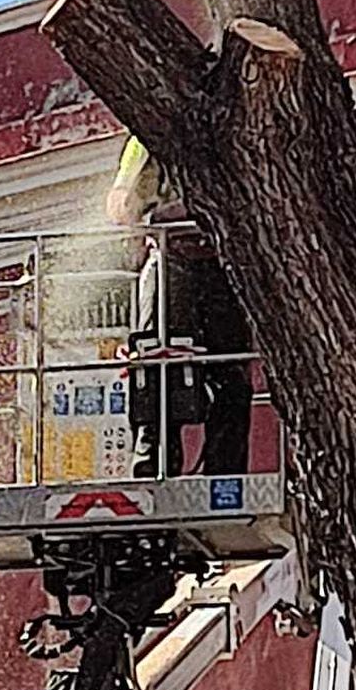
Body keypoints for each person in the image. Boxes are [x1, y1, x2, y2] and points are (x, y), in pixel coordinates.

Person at [105, 135, 252, 480]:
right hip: (170, 257)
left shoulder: (234, 129)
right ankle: (152, 459)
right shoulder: (149, 134)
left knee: (229, 367)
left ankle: (225, 471)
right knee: (156, 359)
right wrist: (131, 200)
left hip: (225, 261)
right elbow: (122, 199)